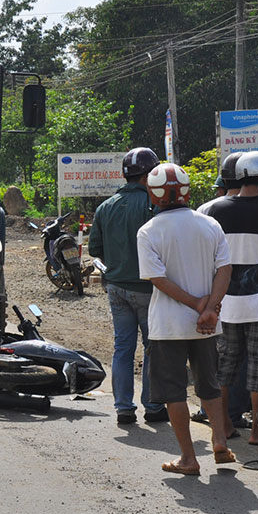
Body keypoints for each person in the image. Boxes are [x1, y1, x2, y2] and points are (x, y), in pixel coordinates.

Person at [136, 163, 235, 475]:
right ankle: (220, 440)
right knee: (210, 384)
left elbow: (157, 279)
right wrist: (210, 307)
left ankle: (189, 459)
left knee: (173, 391)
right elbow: (225, 269)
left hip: (168, 326)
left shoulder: (149, 231)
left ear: (153, 196)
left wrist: (195, 304)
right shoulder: (210, 225)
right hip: (207, 325)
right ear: (188, 191)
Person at [202, 151, 258, 446]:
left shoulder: (214, 210)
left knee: (225, 367)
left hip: (225, 304)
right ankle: (257, 431)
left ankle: (222, 428)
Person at [88, 147, 166, 425]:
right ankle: (154, 406)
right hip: (148, 289)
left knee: (123, 347)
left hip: (116, 288)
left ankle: (123, 407)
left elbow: (94, 249)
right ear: (150, 174)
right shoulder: (154, 206)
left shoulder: (105, 206)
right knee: (152, 347)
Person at [192, 152, 251, 430]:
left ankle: (212, 411)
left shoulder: (206, 210)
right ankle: (236, 411)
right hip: (256, 293)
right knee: (247, 354)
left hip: (215, 293)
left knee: (219, 354)